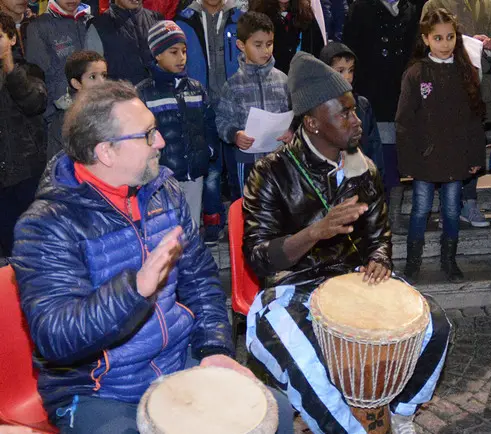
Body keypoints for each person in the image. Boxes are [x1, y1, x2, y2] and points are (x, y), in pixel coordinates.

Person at [9, 80, 293, 432]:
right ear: (106, 152)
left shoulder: (164, 190)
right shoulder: (46, 226)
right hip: (100, 390)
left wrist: (213, 348)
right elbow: (55, 337)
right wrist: (135, 290)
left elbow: (201, 280)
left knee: (274, 413)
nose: (161, 142)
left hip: (178, 359)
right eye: (147, 135)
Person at [243, 51, 450, 434]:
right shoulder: (270, 172)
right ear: (313, 122)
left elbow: (378, 237)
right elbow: (258, 259)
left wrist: (380, 260)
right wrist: (314, 232)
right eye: (345, 113)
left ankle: (401, 414)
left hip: (353, 280)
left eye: (355, 110)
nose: (357, 121)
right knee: (307, 366)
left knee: (435, 324)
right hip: (290, 289)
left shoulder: (364, 169)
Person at [396, 8, 486, 283]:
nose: (445, 44)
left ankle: (449, 260)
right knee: (420, 210)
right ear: (426, 39)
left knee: (450, 211)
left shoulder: (465, 72)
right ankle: (413, 263)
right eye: (438, 38)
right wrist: (409, 161)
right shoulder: (416, 73)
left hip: (456, 157)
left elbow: (475, 119)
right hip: (425, 159)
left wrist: (475, 156)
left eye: (450, 37)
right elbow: (404, 121)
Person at [421, 0, 491, 228]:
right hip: (442, 88)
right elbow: (421, 43)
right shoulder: (433, 4)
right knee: (445, 148)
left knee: (472, 146)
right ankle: (448, 206)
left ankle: (470, 201)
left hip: (476, 89)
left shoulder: (486, 4)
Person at [136, 21, 218, 227]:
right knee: (166, 230)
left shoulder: (196, 89)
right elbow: (140, 135)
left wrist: (207, 151)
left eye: (184, 51)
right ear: (157, 54)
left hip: (194, 174)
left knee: (192, 226)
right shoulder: (144, 93)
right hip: (161, 178)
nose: (181, 57)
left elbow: (208, 123)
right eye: (173, 52)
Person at [176, 0, 242, 243]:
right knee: (211, 169)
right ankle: (213, 223)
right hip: (200, 104)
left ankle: (241, 223)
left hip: (235, 105)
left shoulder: (239, 18)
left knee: (237, 168)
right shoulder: (184, 20)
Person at [344, 0, 419, 196]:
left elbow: (414, 52)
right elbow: (351, 50)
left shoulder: (409, 9)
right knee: (379, 152)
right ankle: (382, 205)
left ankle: (392, 203)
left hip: (402, 91)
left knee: (396, 151)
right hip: (373, 93)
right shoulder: (361, 8)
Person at [215, 11, 290, 194]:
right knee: (248, 207)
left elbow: (292, 112)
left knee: (280, 205)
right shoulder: (233, 85)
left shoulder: (283, 80)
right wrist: (235, 135)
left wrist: (291, 130)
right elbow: (221, 121)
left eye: (269, 44)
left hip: (279, 158)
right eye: (258, 45)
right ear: (241, 45)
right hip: (247, 161)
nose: (265, 50)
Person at [0, 11, 46, 262]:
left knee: (35, 249)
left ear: (12, 39)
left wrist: (9, 65)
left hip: (27, 176)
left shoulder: (30, 71)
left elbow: (34, 103)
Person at [25, 0, 91, 151]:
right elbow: (38, 79)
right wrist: (54, 116)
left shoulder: (89, 21)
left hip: (94, 113)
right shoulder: (38, 27)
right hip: (61, 121)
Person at [319, 41, 384, 177]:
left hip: (359, 178)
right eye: (340, 71)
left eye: (351, 70)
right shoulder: (317, 107)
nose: (347, 76)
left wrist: (376, 177)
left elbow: (374, 147)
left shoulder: (362, 105)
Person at [47, 50, 107, 158]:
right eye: (93, 77)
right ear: (76, 83)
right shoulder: (63, 124)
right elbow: (58, 168)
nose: (102, 82)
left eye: (104, 75)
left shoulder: (115, 111)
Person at [86, 0, 162, 84]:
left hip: (160, 93)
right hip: (118, 94)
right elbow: (93, 71)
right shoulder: (98, 25)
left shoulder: (156, 19)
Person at [249, 0, 324, 73]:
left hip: (301, 80)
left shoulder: (305, 13)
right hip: (269, 80)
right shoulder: (258, 16)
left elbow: (317, 51)